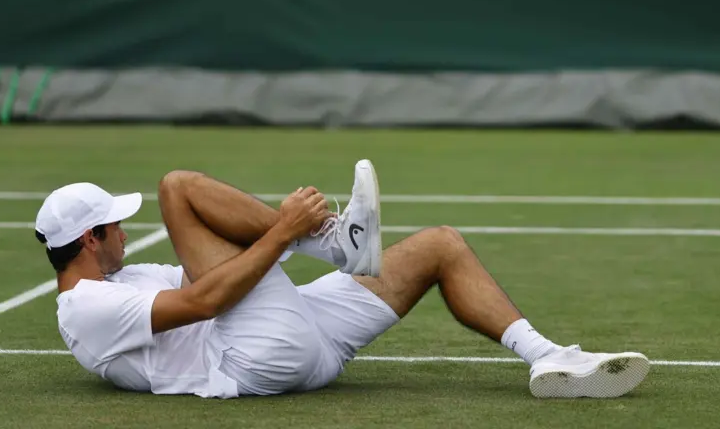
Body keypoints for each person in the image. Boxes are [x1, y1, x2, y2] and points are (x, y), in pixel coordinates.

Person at [33, 162, 649, 399]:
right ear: (89, 239)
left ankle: (547, 358)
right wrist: (284, 231)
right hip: (251, 358)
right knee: (176, 188)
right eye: (114, 225)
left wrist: (274, 233)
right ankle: (331, 244)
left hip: (296, 333)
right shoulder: (84, 309)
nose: (123, 232)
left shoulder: (128, 275)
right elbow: (206, 299)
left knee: (439, 245)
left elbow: (222, 269)